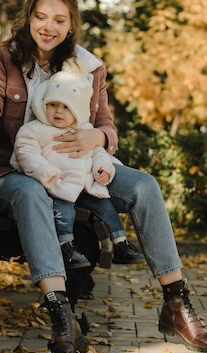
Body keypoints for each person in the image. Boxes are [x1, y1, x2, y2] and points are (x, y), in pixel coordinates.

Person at [0, 0, 207, 353]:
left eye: (58, 19)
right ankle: (62, 319)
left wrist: (96, 135)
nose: (48, 26)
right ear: (28, 18)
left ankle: (176, 304)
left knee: (144, 186)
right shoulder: (0, 58)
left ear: (71, 25)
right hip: (14, 173)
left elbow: (108, 127)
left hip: (80, 166)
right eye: (40, 16)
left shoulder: (88, 67)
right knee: (31, 193)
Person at [9, 57, 145, 270]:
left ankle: (120, 243)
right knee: (64, 211)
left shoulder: (84, 129)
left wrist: (102, 169)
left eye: (66, 107)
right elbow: (26, 153)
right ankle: (66, 246)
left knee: (105, 205)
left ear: (77, 111)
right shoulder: (35, 129)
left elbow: (99, 152)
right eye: (53, 105)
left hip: (84, 184)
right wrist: (44, 170)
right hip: (57, 184)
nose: (58, 112)